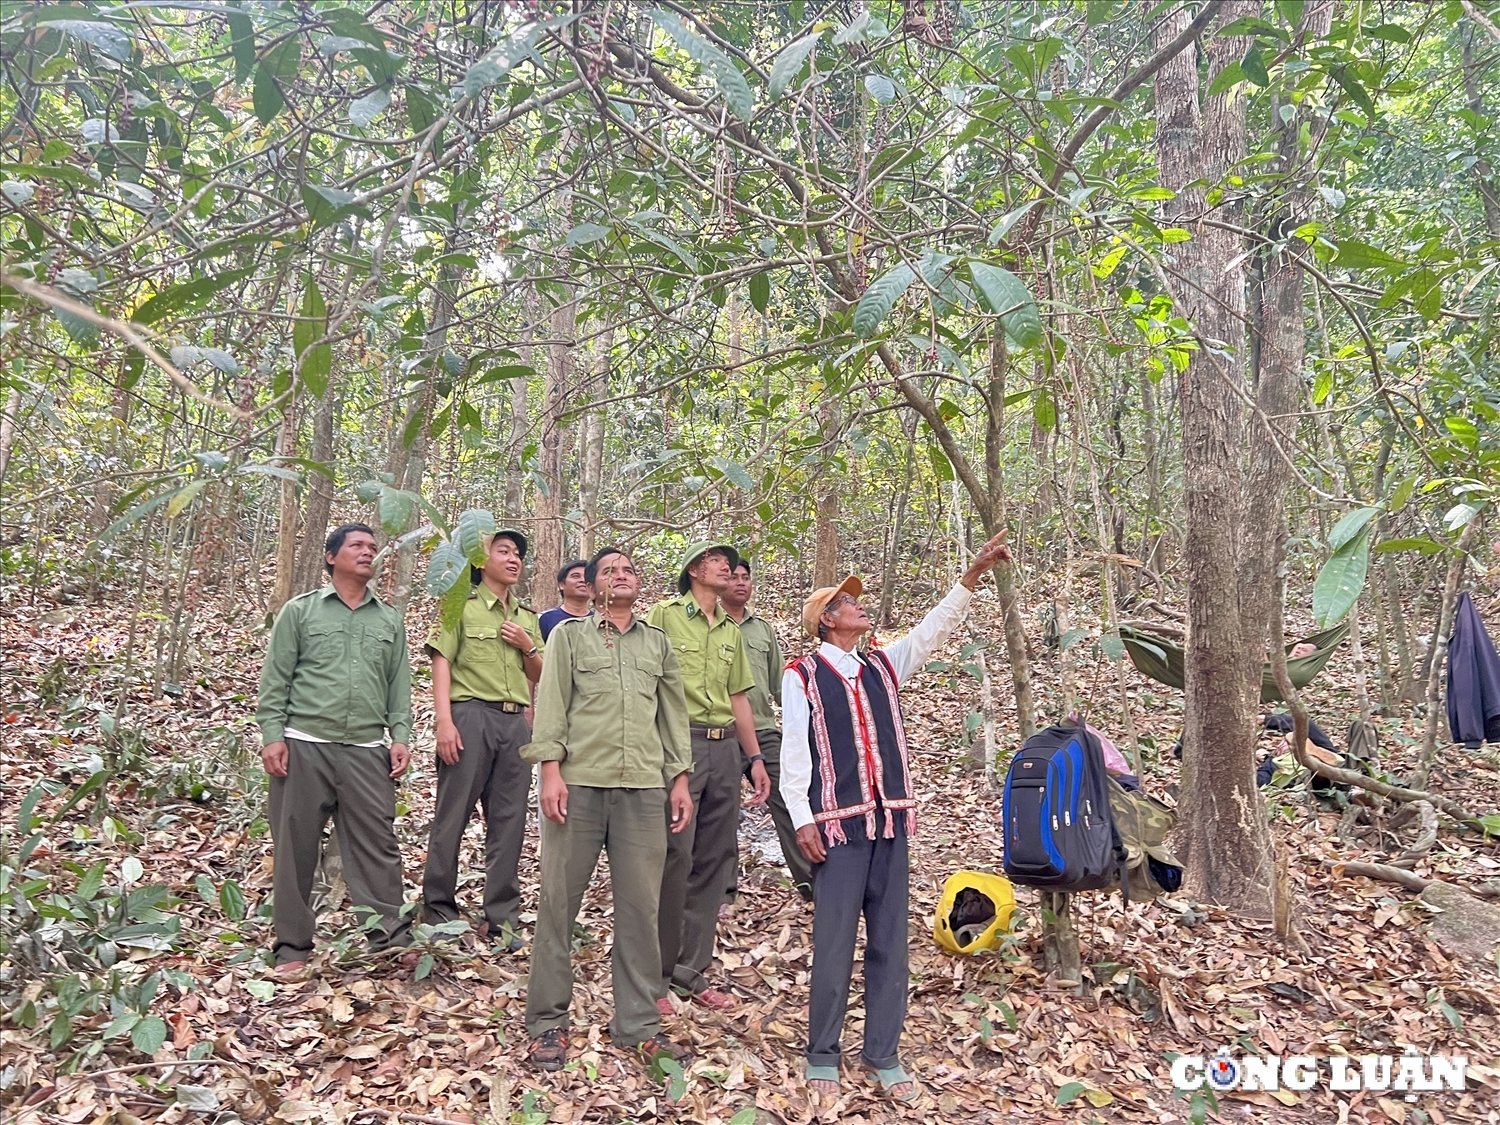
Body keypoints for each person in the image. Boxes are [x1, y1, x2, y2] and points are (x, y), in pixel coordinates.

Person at [781, 531, 1011, 1103]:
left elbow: (933, 630)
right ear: (828, 620)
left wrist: (972, 574)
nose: (860, 606)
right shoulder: (802, 676)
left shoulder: (884, 666)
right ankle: (823, 1054)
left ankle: (883, 1051)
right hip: (838, 827)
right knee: (834, 942)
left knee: (889, 940)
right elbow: (793, 753)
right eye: (848, 602)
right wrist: (803, 819)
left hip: (890, 826)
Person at [522, 546, 694, 1072]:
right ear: (593, 587)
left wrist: (679, 779)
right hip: (579, 787)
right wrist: (550, 770)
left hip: (643, 789)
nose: (621, 576)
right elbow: (551, 704)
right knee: (558, 905)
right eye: (610, 572)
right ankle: (547, 1022)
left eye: (629, 570)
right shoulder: (568, 638)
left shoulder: (657, 643)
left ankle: (637, 1025)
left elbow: (672, 716)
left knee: (640, 911)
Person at [255, 523, 414, 974]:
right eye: (357, 546)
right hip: (304, 745)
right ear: (331, 557)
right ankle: (292, 947)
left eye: (372, 547)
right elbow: (276, 680)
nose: (368, 553)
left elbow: (397, 685)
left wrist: (400, 735)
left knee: (377, 845)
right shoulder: (301, 612)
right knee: (295, 847)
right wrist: (272, 735)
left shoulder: (388, 619)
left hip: (366, 749)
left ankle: (389, 939)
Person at [649, 541, 771, 1014]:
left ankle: (690, 971)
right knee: (673, 856)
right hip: (679, 744)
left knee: (712, 860)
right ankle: (654, 975)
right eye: (719, 562)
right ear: (697, 569)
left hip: (725, 750)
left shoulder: (730, 630)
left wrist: (754, 758)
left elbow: (740, 698)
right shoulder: (664, 615)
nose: (728, 568)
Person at [421, 528, 543, 952]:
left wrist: (529, 647)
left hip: (514, 725)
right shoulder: (460, 606)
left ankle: (503, 920)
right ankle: (439, 912)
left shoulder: (527, 617)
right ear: (480, 560)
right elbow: (441, 661)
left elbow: (540, 675)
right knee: (452, 816)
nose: (513, 560)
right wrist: (444, 722)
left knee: (509, 824)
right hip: (470, 716)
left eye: (517, 555)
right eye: (503, 551)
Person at [722, 557, 812, 902]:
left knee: (790, 800)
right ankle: (724, 892)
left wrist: (801, 727)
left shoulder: (762, 630)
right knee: (723, 811)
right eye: (733, 577)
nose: (741, 583)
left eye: (746, 577)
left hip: (762, 729)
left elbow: (780, 685)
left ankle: (810, 882)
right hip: (721, 732)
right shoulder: (709, 626)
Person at [539, 559, 592, 641]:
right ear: (561, 585)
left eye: (587, 577)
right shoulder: (545, 618)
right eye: (575, 576)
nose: (583, 580)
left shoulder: (600, 621)